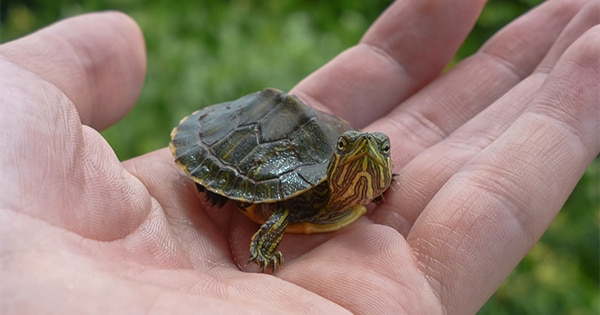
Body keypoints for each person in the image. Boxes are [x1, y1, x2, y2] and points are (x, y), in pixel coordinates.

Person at [1, 0, 597, 313]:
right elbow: (274, 205)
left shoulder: (360, 182)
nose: (369, 159)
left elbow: (370, 165)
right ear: (343, 165)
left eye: (374, 158)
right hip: (240, 135)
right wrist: (263, 242)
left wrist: (376, 179)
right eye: (362, 154)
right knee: (258, 197)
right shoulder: (302, 193)